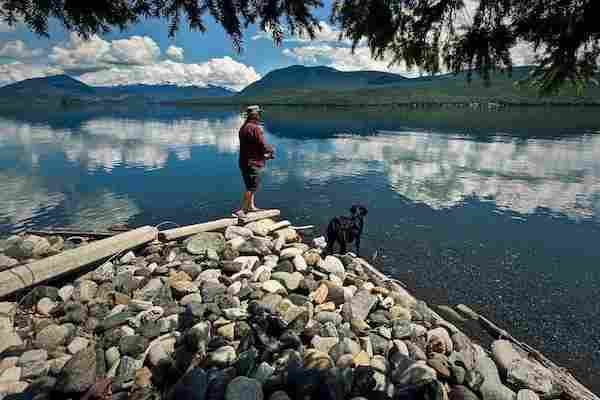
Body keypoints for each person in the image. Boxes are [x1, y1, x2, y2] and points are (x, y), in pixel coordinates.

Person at [234, 105, 274, 216]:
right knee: (252, 186)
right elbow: (262, 144)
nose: (260, 116)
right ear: (255, 115)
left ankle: (251, 207)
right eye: (258, 114)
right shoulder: (255, 128)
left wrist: (264, 154)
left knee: (250, 185)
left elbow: (252, 146)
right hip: (253, 162)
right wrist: (270, 151)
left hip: (244, 160)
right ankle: (241, 210)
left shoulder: (244, 127)